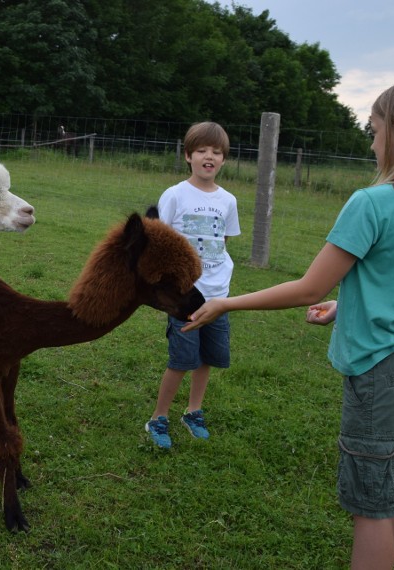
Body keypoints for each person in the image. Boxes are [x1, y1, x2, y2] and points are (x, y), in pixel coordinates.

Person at [183, 77, 394, 570]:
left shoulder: (373, 202)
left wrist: (226, 304)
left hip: (382, 373)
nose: (371, 140)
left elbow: (308, 289)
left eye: (374, 128)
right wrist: (350, 307)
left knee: (371, 507)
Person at [145, 121, 240, 450]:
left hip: (219, 297)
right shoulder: (174, 195)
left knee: (206, 359)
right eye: (201, 151)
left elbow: (224, 240)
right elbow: (161, 239)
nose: (209, 157)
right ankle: (158, 417)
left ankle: (193, 411)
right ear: (188, 156)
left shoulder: (228, 200)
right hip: (185, 297)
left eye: (216, 152)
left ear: (224, 159)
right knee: (181, 360)